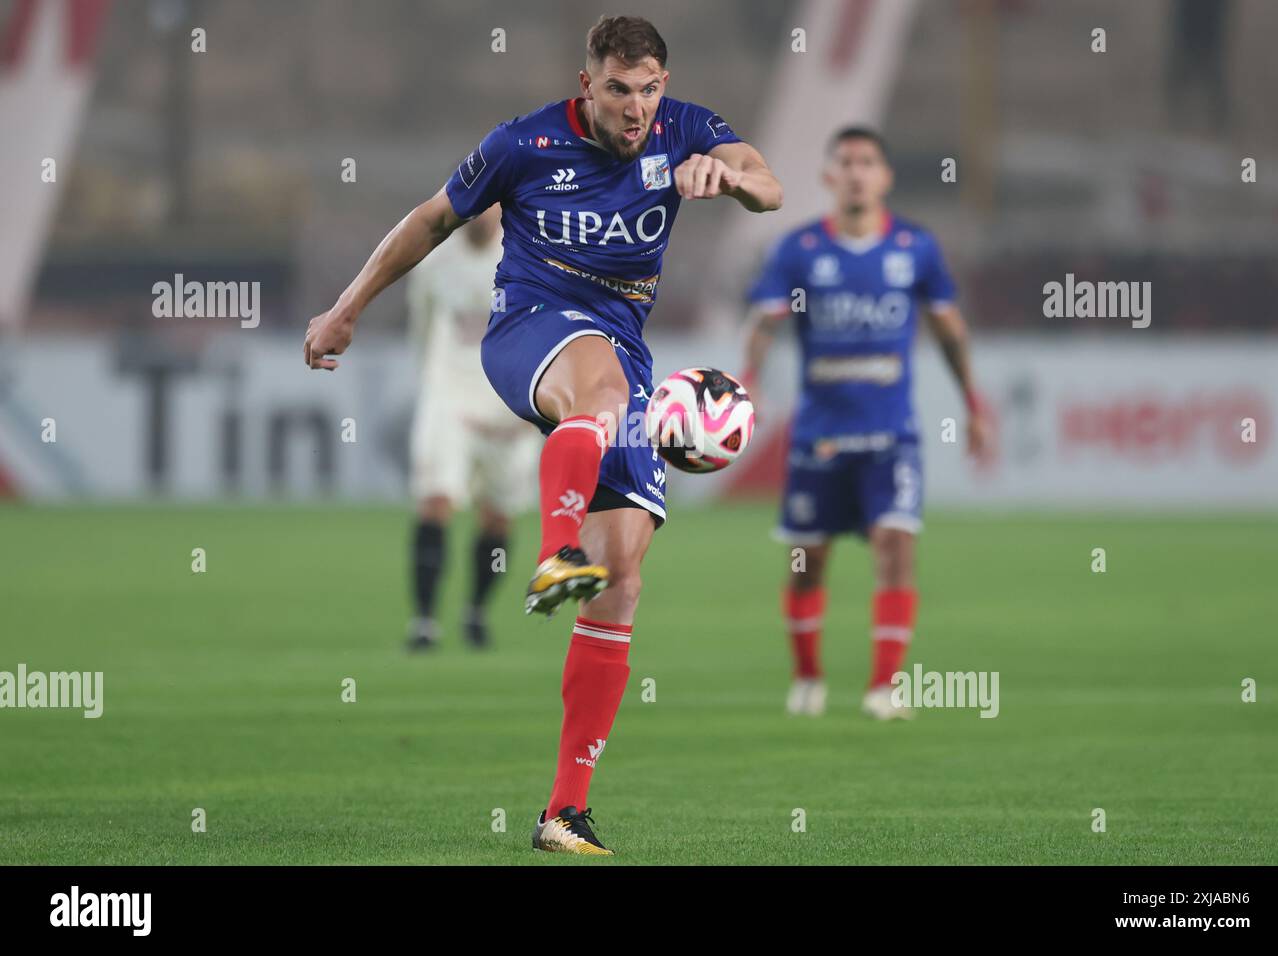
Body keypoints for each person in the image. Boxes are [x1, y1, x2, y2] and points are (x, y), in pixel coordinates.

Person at [304, 15, 782, 854]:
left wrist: (732, 178)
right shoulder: (522, 143)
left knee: (624, 576)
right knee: (593, 396)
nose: (636, 109)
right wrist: (346, 311)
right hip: (530, 325)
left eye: (649, 90)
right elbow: (429, 220)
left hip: (627, 352)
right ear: (587, 83)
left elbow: (767, 182)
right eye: (619, 90)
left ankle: (564, 810)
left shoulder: (684, 131)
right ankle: (557, 548)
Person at [741, 127, 991, 720]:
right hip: (818, 437)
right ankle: (807, 677)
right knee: (808, 564)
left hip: (891, 434)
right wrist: (744, 386)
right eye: (845, 162)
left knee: (896, 548)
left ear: (885, 177)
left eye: (867, 162)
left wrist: (973, 404)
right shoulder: (799, 248)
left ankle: (884, 687)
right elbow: (765, 324)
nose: (856, 172)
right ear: (829, 176)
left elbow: (949, 328)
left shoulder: (915, 248)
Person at [405, 204, 539, 652]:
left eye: (491, 207)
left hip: (506, 408)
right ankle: (424, 622)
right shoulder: (433, 258)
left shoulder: (524, 256)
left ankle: (476, 612)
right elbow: (421, 326)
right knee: (436, 502)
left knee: (498, 519)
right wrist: (431, 381)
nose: (481, 215)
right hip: (448, 398)